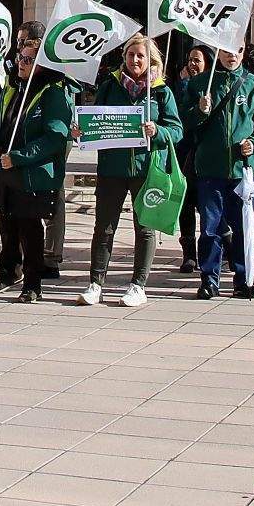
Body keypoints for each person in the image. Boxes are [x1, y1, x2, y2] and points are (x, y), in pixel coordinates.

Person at [75, 33, 182, 307]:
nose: (136, 60)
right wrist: (81, 131)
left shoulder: (160, 91)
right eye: (131, 55)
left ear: (150, 60)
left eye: (141, 56)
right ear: (124, 58)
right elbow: (95, 121)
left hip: (147, 169)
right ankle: (96, 283)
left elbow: (177, 130)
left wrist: (157, 130)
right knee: (104, 227)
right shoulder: (110, 86)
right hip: (112, 167)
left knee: (144, 227)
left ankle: (138, 285)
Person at [0, 39, 70, 302]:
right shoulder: (13, 87)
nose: (21, 63)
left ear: (42, 65)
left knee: (29, 229)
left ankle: (32, 283)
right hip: (4, 169)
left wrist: (20, 157)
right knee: (6, 223)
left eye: (28, 60)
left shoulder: (53, 93)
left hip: (31, 174)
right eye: (20, 57)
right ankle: (8, 270)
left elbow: (55, 136)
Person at [188, 44, 254, 300]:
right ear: (217, 51)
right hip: (210, 168)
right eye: (226, 49)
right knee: (210, 228)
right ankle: (209, 279)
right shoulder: (201, 84)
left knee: (243, 227)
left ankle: (243, 279)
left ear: (244, 51)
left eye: (237, 49)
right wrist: (199, 111)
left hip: (242, 170)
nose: (231, 55)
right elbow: (184, 121)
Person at [172, 45, 214, 273]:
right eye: (190, 59)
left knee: (209, 206)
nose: (192, 64)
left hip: (207, 155)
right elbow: (179, 115)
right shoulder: (182, 86)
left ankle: (217, 248)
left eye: (197, 60)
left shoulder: (214, 85)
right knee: (185, 205)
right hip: (185, 153)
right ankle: (188, 253)